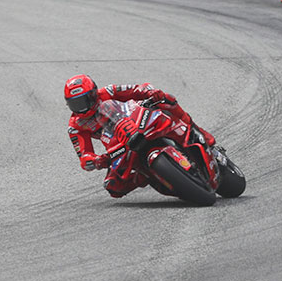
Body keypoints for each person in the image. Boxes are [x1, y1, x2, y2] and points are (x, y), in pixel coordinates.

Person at [64, 74, 216, 198]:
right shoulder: (75, 126)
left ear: (94, 94)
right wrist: (96, 161)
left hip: (135, 120)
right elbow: (84, 156)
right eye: (75, 104)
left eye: (84, 101)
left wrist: (151, 93)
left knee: (166, 99)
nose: (82, 108)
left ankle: (195, 129)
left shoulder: (108, 92)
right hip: (119, 144)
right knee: (113, 187)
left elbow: (138, 89)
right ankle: (147, 175)